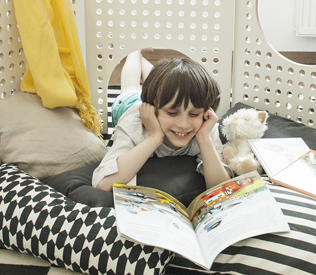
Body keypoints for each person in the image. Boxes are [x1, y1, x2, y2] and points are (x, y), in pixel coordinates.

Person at [92, 53, 231, 192]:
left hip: (163, 99)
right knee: (130, 86)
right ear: (154, 111)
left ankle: (143, 59)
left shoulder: (205, 128)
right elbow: (103, 184)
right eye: (172, 113)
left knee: (162, 81)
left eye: (194, 114)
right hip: (128, 105)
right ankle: (135, 53)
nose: (183, 124)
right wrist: (155, 137)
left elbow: (223, 190)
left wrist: (204, 139)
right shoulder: (133, 126)